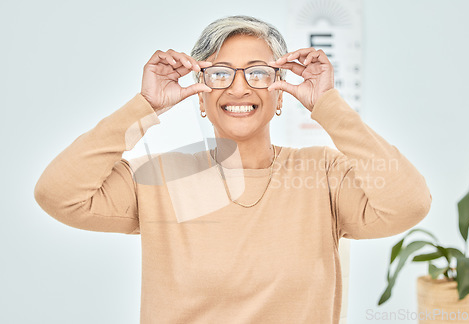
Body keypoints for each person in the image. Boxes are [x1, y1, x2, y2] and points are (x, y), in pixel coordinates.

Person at [34, 15, 432, 324]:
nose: (239, 88)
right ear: (201, 97)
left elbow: (409, 204)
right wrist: (146, 106)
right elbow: (58, 194)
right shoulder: (163, 178)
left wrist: (327, 104)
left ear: (279, 92)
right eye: (220, 74)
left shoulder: (322, 174)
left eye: (257, 72)